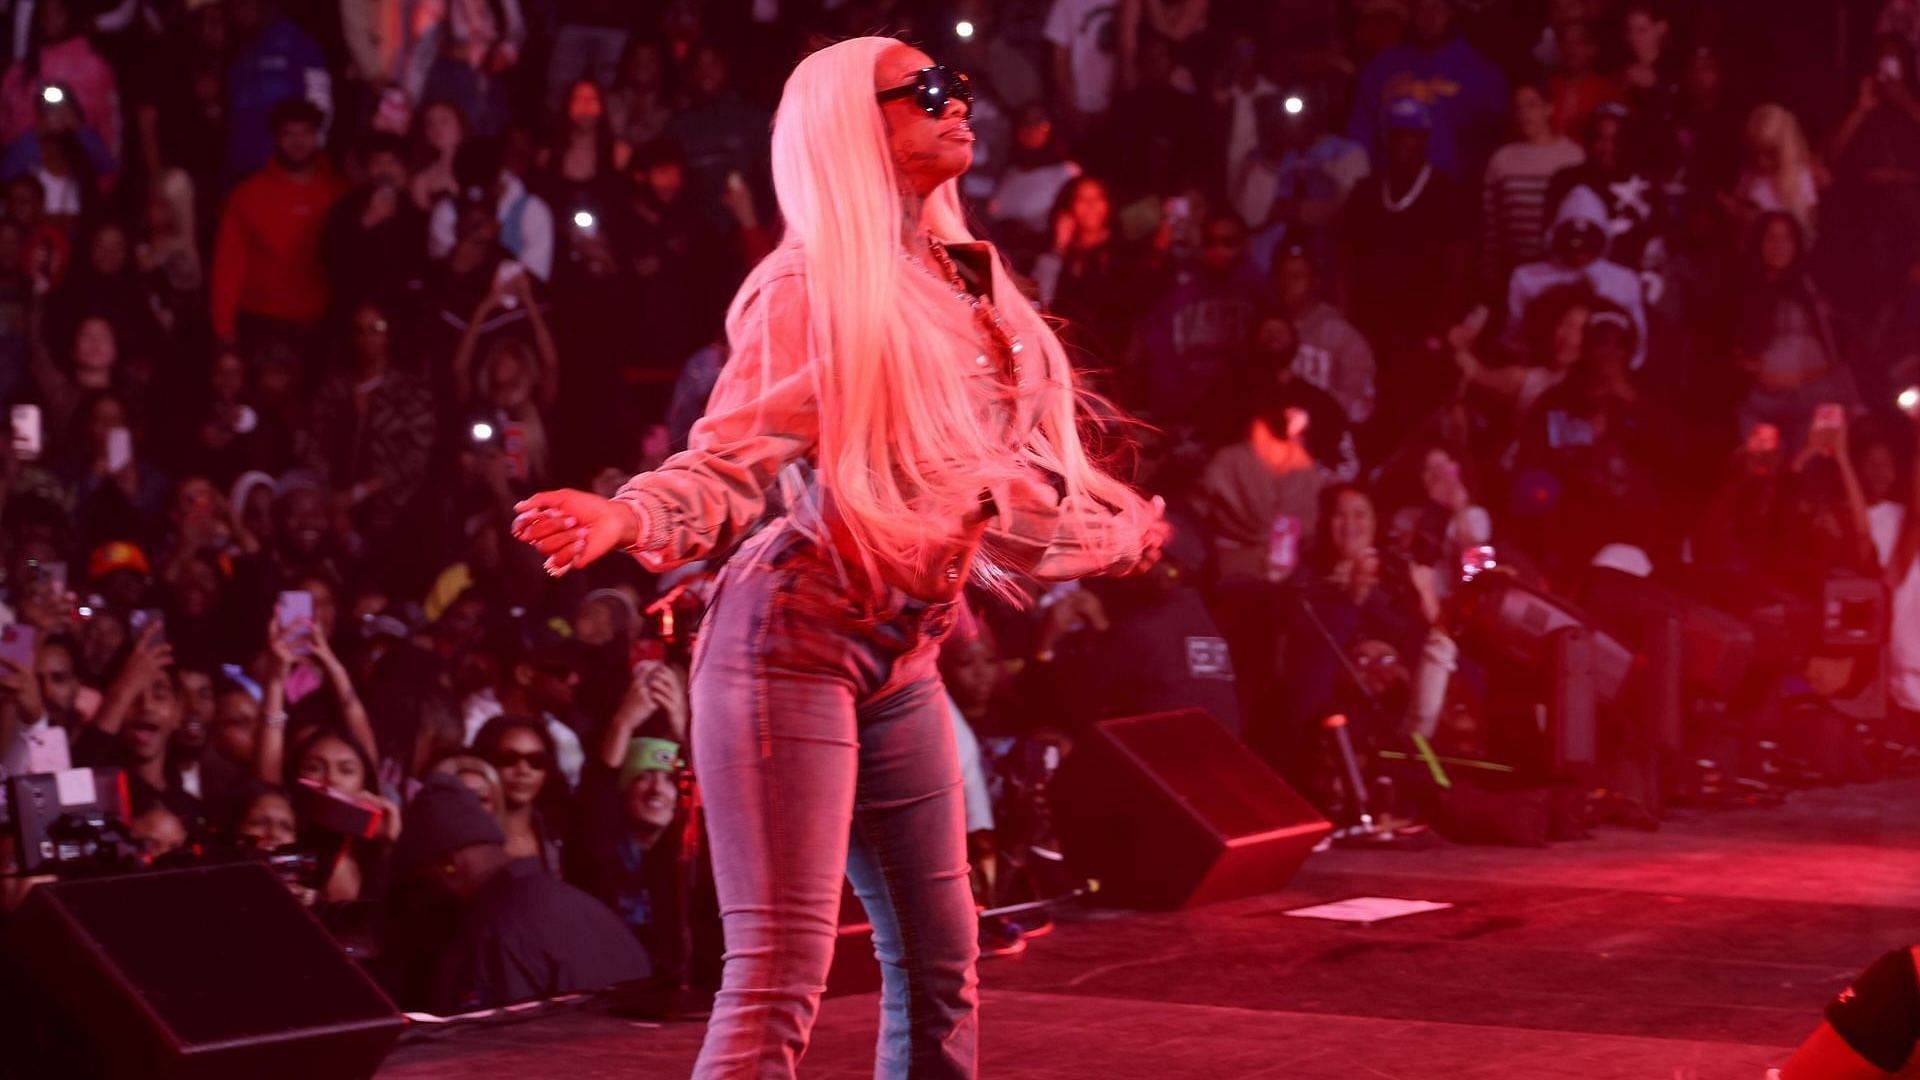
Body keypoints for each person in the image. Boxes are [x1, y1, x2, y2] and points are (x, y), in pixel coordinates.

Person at [511, 39, 1167, 1079]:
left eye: (959, 85)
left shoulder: (962, 280)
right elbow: (729, 464)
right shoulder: (810, 289)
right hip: (789, 647)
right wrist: (626, 520)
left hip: (902, 653)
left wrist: (1114, 533)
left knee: (942, 962)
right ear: (854, 126)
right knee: (779, 974)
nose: (961, 102)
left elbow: (986, 492)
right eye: (929, 91)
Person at [390, 773, 647, 1014]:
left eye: (420, 883)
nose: (418, 901)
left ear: (450, 865)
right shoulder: (581, 905)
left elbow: (488, 1053)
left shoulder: (491, 933)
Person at [209, 97, 344, 356]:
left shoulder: (338, 193)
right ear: (275, 138)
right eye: (289, 134)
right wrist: (224, 330)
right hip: (262, 325)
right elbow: (227, 266)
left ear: (317, 136)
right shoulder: (246, 195)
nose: (298, 142)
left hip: (322, 325)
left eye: (305, 133)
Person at [1346, 0, 1507, 182]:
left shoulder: (1481, 73)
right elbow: (1360, 134)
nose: (1429, 16)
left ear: (1451, 11)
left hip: (1456, 189)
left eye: (1436, 7)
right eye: (1421, 8)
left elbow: (1494, 139)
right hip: (1391, 189)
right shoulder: (1382, 69)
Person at [1483, 82, 1585, 289]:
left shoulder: (1573, 157)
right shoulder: (1501, 160)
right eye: (1518, 108)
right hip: (1514, 269)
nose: (1525, 114)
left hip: (1559, 269)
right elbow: (1491, 225)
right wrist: (1489, 269)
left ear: (1549, 108)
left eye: (1532, 105)